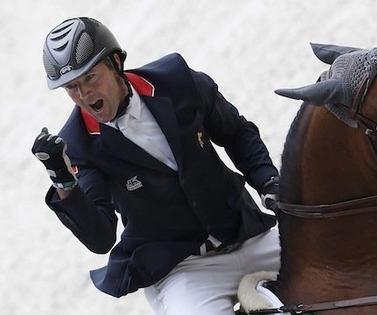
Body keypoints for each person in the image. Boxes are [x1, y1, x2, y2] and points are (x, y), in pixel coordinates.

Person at [32, 17, 281, 315]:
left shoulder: (177, 80)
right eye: (72, 87)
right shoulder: (79, 146)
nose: (84, 96)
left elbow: (235, 132)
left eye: (90, 78)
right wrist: (64, 183)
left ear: (115, 63)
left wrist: (268, 183)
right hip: (185, 271)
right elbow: (101, 238)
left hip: (249, 235)